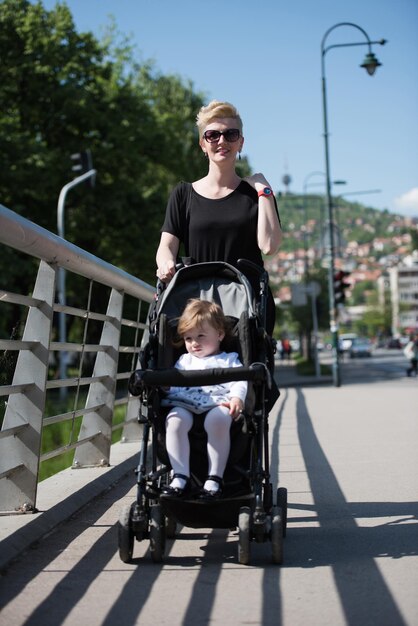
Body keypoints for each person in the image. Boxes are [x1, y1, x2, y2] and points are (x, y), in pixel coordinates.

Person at [156, 99, 282, 336]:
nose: (222, 141)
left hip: (248, 309)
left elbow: (269, 245)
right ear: (203, 144)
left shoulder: (256, 195)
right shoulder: (183, 194)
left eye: (230, 134)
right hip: (197, 307)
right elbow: (166, 245)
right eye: (212, 135)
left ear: (241, 143)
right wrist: (165, 263)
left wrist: (264, 190)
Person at [160, 299, 247, 500]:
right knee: (174, 421)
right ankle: (180, 475)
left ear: (220, 334)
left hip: (218, 403)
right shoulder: (184, 361)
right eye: (188, 338)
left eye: (200, 336)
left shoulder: (229, 359)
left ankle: (214, 478)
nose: (194, 343)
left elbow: (240, 381)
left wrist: (237, 399)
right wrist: (166, 386)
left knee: (217, 420)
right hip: (185, 404)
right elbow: (175, 383)